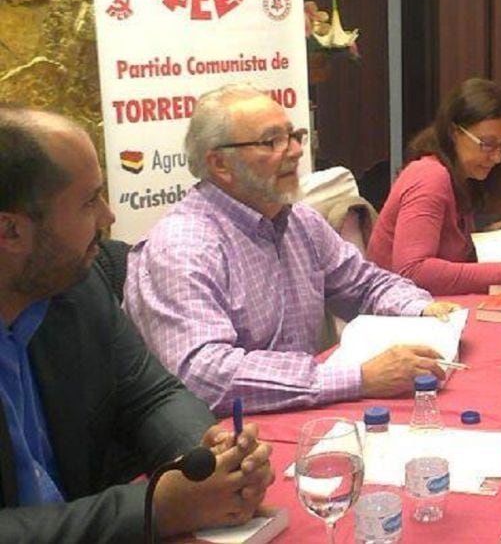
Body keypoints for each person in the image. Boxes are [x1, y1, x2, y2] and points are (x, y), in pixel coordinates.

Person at [0, 107, 273, 541]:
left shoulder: (78, 286)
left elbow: (152, 395)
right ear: (11, 232)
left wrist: (208, 458)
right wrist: (155, 508)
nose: (109, 217)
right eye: (90, 201)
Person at [124, 84, 460, 415]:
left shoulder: (299, 220)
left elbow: (365, 285)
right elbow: (205, 375)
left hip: (299, 414)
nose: (296, 151)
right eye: (272, 142)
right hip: (219, 442)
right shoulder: (182, 246)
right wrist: (358, 378)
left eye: (294, 136)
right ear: (220, 164)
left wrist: (421, 311)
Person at [367, 78, 501, 295]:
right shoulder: (429, 178)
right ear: (454, 133)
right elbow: (412, 271)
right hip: (397, 312)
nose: (497, 158)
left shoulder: (459, 172)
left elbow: (443, 249)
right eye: (487, 144)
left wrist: (483, 238)